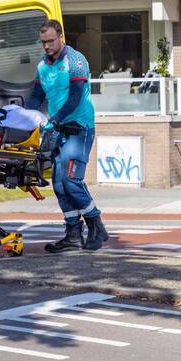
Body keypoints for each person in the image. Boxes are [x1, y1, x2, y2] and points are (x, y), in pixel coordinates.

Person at [25, 20, 109, 253]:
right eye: (43, 42)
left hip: (79, 128)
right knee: (60, 185)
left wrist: (54, 119)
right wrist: (26, 115)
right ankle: (73, 234)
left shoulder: (76, 61)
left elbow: (74, 98)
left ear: (61, 37)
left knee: (72, 181)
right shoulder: (42, 67)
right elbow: (36, 96)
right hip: (59, 131)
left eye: (51, 41)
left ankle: (96, 225)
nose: (47, 46)